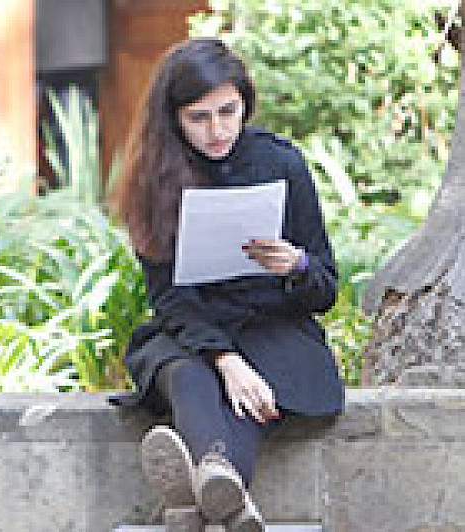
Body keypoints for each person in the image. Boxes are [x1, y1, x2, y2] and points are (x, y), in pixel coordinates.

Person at [107, 37, 344, 531]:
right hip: (191, 333)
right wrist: (226, 359)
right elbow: (169, 298)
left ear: (245, 104)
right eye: (199, 118)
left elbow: (326, 288)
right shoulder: (155, 179)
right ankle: (227, 497)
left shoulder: (281, 163)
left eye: (227, 112)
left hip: (274, 331)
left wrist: (296, 266)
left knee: (254, 391)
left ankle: (199, 497)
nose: (217, 131)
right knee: (189, 375)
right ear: (173, 118)